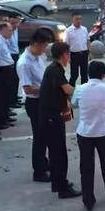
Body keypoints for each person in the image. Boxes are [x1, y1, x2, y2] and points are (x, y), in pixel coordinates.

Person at [71, 61, 105, 211]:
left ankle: (88, 200)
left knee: (86, 166)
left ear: (89, 73)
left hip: (84, 133)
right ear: (103, 75)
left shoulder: (80, 89)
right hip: (103, 132)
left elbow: (73, 104)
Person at [39, 42, 81, 199]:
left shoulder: (54, 69)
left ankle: (60, 182)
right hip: (51, 119)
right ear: (64, 55)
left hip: (51, 116)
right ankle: (62, 188)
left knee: (58, 153)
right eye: (69, 54)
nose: (69, 57)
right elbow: (68, 89)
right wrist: (85, 91)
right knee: (59, 154)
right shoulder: (55, 70)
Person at [17, 29, 50, 183]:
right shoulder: (24, 63)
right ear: (36, 44)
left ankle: (43, 163)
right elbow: (28, 88)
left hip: (42, 100)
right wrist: (47, 88)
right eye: (44, 46)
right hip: (34, 102)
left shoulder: (38, 57)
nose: (45, 50)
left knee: (44, 135)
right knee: (40, 137)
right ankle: (39, 172)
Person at [0, 22, 16, 129]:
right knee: (3, 96)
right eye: (9, 30)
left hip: (8, 69)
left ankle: (6, 115)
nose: (11, 32)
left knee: (8, 94)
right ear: (2, 30)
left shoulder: (4, 41)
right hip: (3, 71)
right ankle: (2, 119)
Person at [64, 12, 89, 85]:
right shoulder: (68, 31)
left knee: (84, 75)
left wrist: (89, 52)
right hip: (74, 55)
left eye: (80, 19)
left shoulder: (84, 29)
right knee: (74, 75)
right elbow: (66, 45)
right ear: (73, 19)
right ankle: (70, 91)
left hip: (84, 54)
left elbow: (87, 40)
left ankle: (84, 91)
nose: (79, 21)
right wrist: (67, 57)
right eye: (77, 19)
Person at [7, 14, 22, 108]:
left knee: (16, 78)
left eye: (17, 22)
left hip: (16, 54)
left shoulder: (16, 30)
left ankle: (15, 97)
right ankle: (12, 100)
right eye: (12, 23)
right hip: (10, 56)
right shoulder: (7, 31)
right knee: (12, 80)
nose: (15, 25)